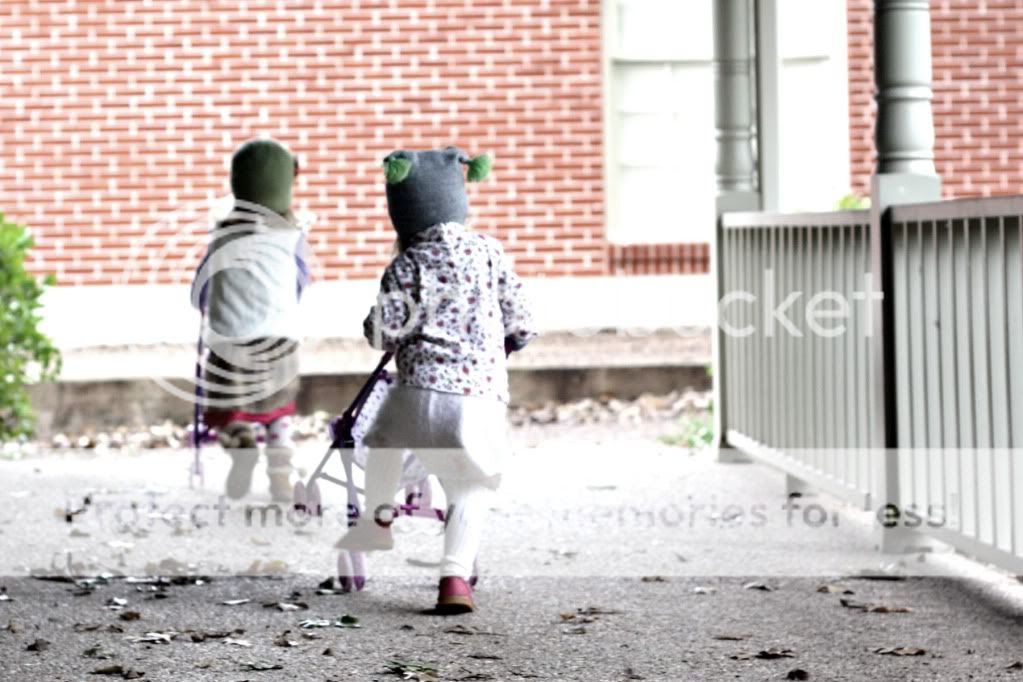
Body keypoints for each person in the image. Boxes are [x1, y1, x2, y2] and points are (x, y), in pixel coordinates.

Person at [336, 147, 535, 614]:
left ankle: (378, 515)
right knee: (469, 487)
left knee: (384, 444)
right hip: (478, 398)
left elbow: (384, 334)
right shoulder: (489, 253)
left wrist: (377, 327)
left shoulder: (407, 265)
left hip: (418, 395)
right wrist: (512, 340)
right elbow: (522, 319)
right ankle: (454, 579)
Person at [190, 138, 310, 503]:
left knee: (228, 407)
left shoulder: (223, 234)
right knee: (278, 413)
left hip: (230, 340)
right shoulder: (292, 236)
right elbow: (300, 282)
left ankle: (239, 439)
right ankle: (280, 475)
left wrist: (204, 304)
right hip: (280, 339)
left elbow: (202, 286)